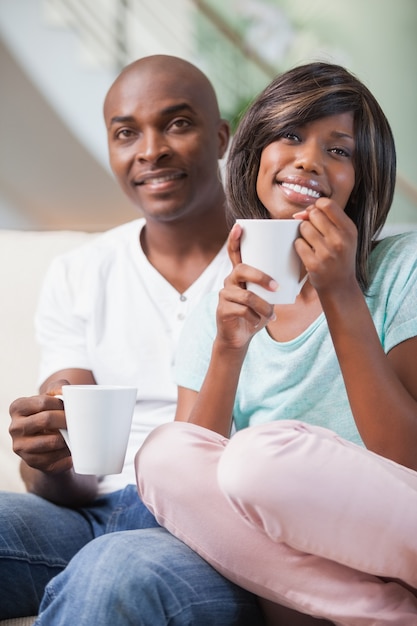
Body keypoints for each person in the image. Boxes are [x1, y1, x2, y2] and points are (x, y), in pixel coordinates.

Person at [136, 61, 417, 625]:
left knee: (261, 459)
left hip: (400, 519)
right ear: (255, 154)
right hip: (318, 565)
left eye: (339, 151)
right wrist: (228, 347)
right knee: (161, 454)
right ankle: (379, 614)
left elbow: (407, 459)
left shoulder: (402, 267)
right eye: (290, 135)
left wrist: (340, 292)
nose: (310, 159)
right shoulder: (222, 300)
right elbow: (189, 489)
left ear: (363, 179)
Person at [2, 54, 265, 625]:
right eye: (127, 133)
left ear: (221, 137)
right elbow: (64, 477)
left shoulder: (272, 264)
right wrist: (48, 458)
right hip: (89, 516)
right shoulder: (80, 271)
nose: (151, 150)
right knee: (105, 555)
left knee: (112, 572)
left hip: (213, 533)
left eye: (177, 123)